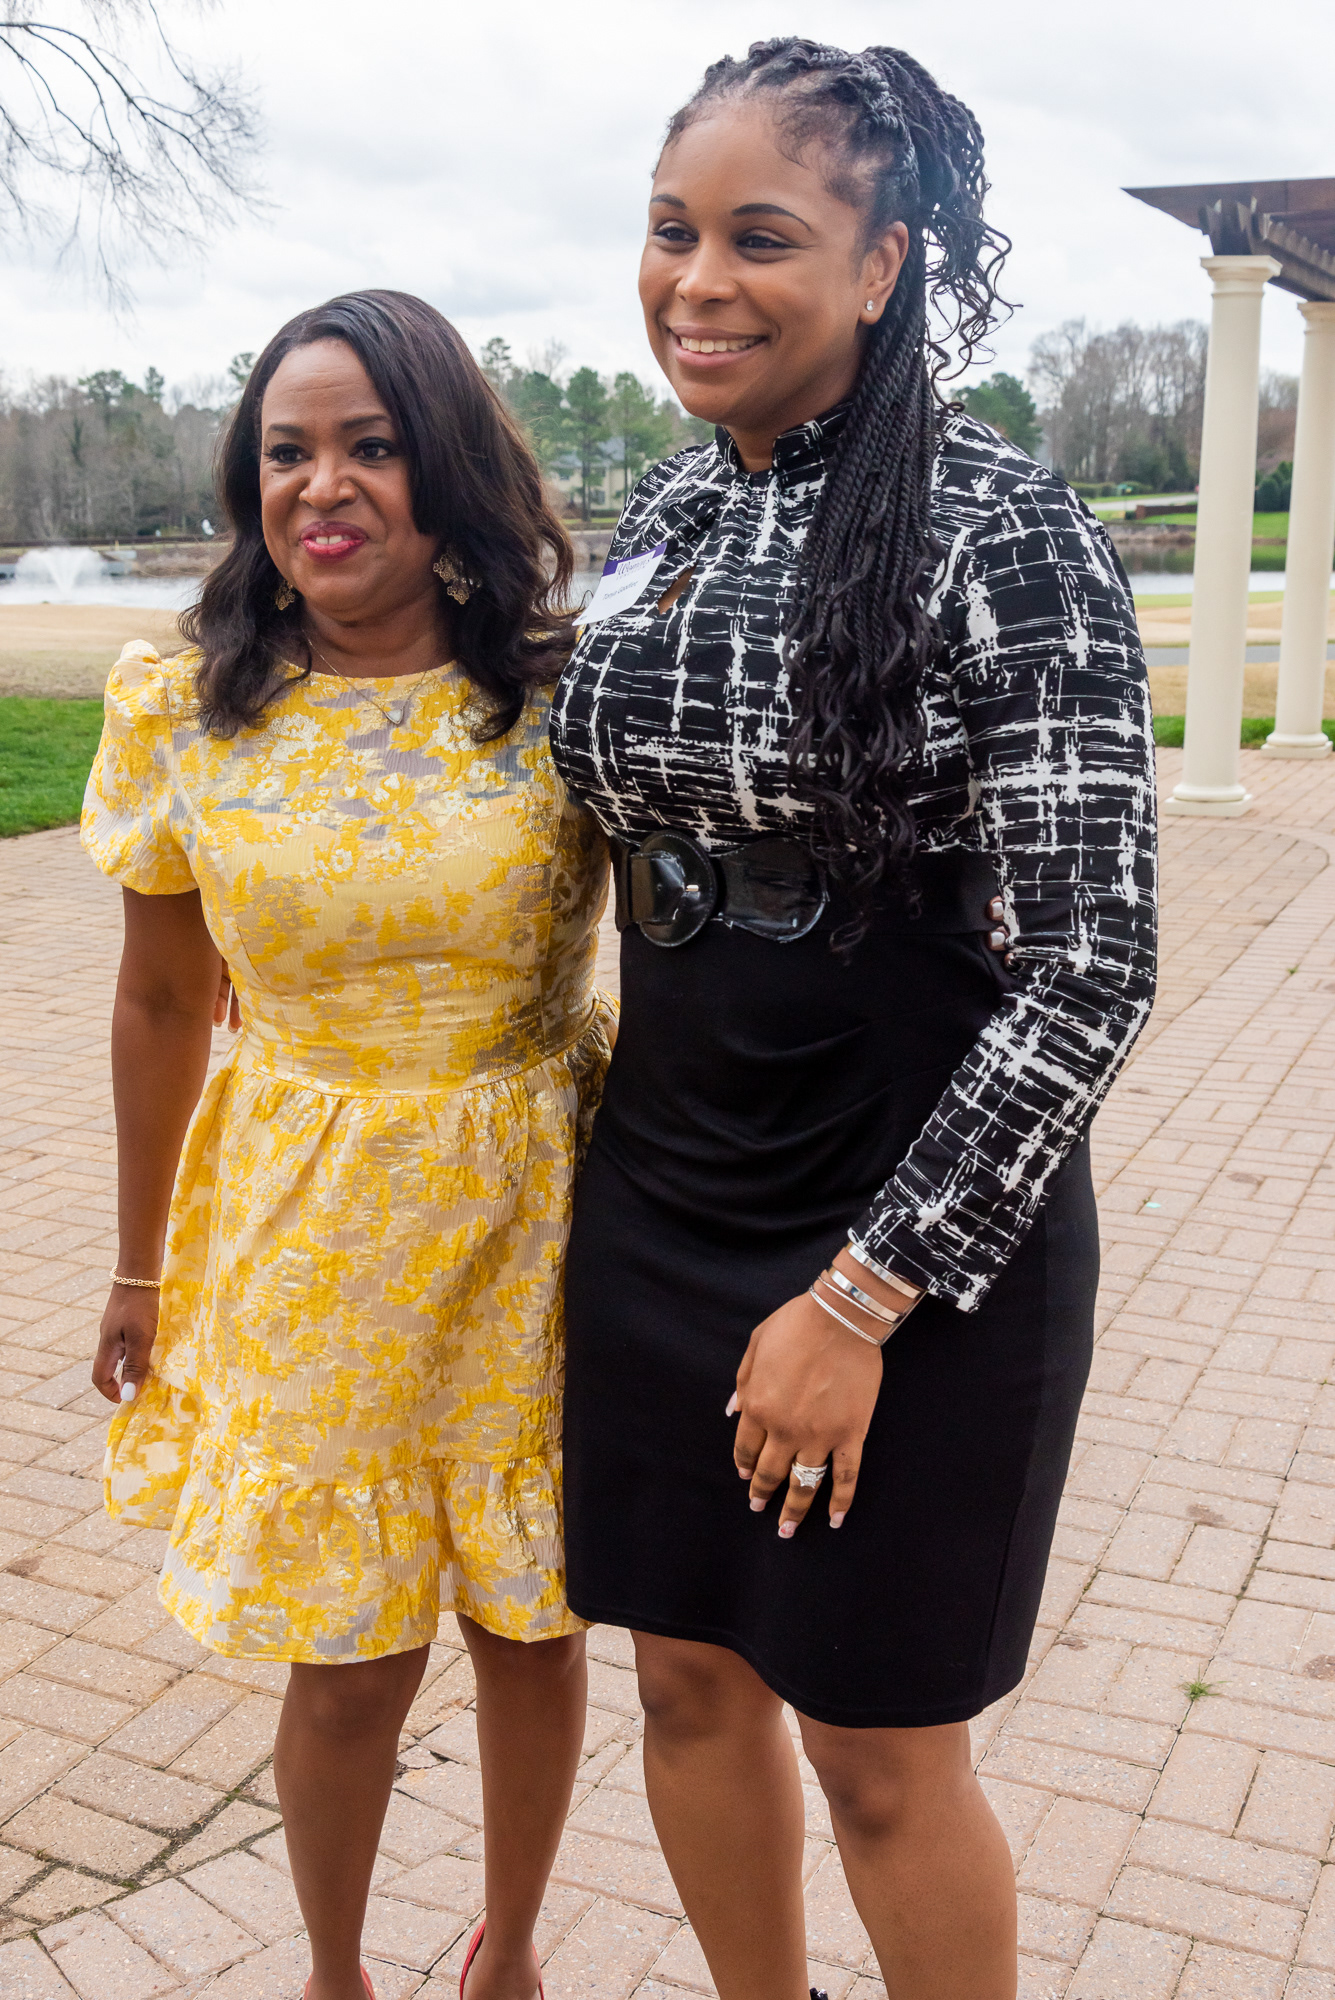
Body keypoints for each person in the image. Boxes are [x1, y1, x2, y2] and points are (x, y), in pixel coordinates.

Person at [551, 39, 1156, 2000]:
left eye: (761, 237)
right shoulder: (661, 512)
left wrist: (859, 1299)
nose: (696, 282)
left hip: (907, 1218)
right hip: (664, 1183)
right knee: (683, 1680)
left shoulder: (1004, 528)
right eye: (670, 231)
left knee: (880, 1755)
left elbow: (1092, 965)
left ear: (883, 264)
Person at [82, 291, 614, 2000]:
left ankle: (509, 1951)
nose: (323, 486)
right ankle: (333, 1974)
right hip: (312, 1227)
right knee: (347, 1647)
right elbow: (161, 1003)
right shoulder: (182, 707)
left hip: (541, 1203)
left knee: (530, 1617)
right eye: (287, 452)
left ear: (444, 467)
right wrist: (138, 1265)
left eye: (371, 446)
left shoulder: (565, 697)